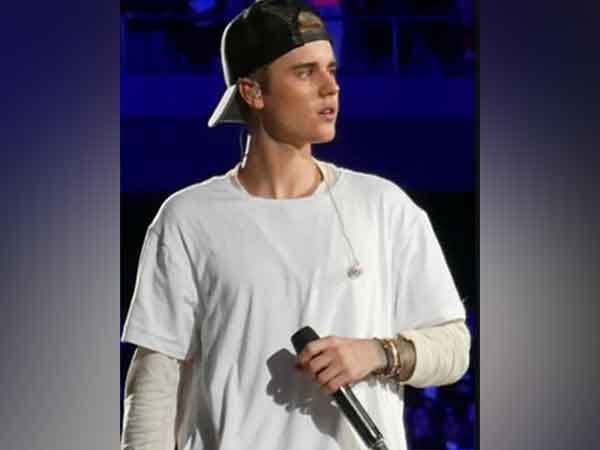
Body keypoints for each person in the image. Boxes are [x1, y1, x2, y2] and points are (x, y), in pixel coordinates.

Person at [120, 1, 471, 450]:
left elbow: (454, 347)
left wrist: (377, 353)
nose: (330, 86)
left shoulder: (383, 206)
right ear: (253, 92)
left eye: (331, 69)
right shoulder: (189, 218)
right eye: (305, 72)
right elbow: (155, 381)